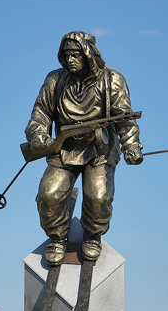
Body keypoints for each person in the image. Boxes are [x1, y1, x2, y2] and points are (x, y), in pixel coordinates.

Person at [25, 31, 143, 265]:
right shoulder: (55, 80)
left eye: (76, 54)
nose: (70, 60)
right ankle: (58, 237)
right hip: (64, 149)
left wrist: (131, 145)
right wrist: (39, 136)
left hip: (99, 150)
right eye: (67, 55)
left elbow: (125, 118)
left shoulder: (112, 80)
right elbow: (40, 114)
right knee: (48, 195)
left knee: (99, 197)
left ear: (89, 54)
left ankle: (92, 235)